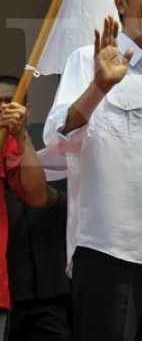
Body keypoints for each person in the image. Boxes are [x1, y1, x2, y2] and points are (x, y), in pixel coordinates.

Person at [44, 0, 142, 341]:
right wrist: (100, 87)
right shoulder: (87, 60)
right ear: (121, 3)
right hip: (110, 248)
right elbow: (58, 139)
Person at [0, 75, 71, 341]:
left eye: (12, 101)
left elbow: (49, 197)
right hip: (12, 284)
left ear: (27, 108)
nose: (6, 108)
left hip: (50, 284)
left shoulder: (48, 142)